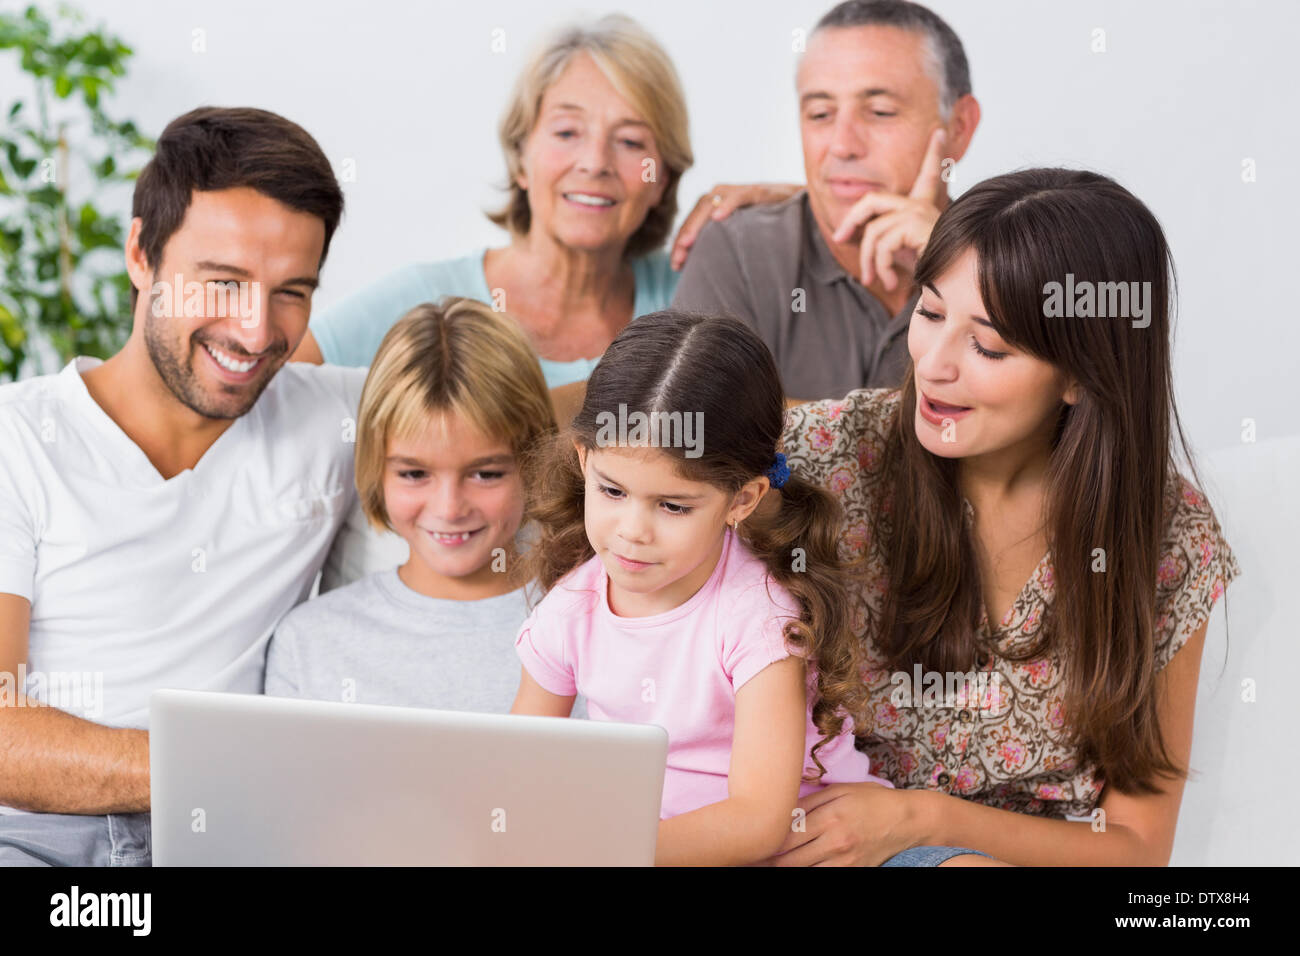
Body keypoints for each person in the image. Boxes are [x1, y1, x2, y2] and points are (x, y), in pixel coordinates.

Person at [759, 168, 1240, 865]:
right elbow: (634, 441)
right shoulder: (828, 455)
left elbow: (1136, 848)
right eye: (928, 314)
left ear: (1081, 374)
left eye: (987, 346)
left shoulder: (1171, 540)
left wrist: (922, 820)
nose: (934, 366)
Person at [0, 106, 364, 865]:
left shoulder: (337, 420)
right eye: (223, 282)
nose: (257, 332)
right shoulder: (17, 441)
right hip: (31, 834)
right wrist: (224, 769)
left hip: (217, 839)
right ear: (141, 254)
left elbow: (541, 415)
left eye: (292, 291)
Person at [509, 311, 914, 866]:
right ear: (585, 461)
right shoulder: (572, 608)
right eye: (612, 490)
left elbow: (756, 823)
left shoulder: (759, 617)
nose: (632, 531)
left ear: (742, 501)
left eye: (672, 506)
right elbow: (515, 765)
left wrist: (603, 851)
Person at [291, 14, 796, 388]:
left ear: (663, 177)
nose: (594, 162)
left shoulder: (699, 296)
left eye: (631, 142)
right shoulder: (425, 302)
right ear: (519, 158)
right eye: (566, 131)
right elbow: (272, 387)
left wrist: (795, 201)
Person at [265, 297, 581, 718]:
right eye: (414, 474)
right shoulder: (309, 642)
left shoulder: (588, 623)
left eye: (486, 474)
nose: (449, 509)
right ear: (377, 470)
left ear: (532, 465)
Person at [671, 0, 981, 402]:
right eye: (820, 114)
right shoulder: (739, 252)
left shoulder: (1018, 266)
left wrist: (959, 274)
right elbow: (700, 432)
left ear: (958, 127)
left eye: (881, 112)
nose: (841, 145)